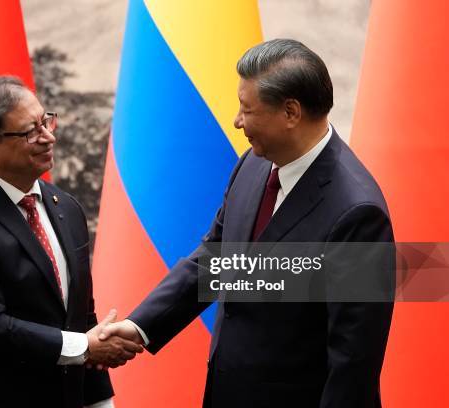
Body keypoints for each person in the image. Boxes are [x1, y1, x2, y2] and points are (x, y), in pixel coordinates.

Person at [100, 39, 394, 407]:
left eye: (246, 109)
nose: (237, 121)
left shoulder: (357, 213)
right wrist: (139, 327)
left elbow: (354, 361)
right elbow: (217, 261)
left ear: (290, 112)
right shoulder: (252, 165)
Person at [0, 76, 142, 408]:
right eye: (30, 132)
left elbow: (82, 318)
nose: (48, 136)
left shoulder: (65, 206)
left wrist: (100, 401)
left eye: (46, 121)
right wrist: (83, 347)